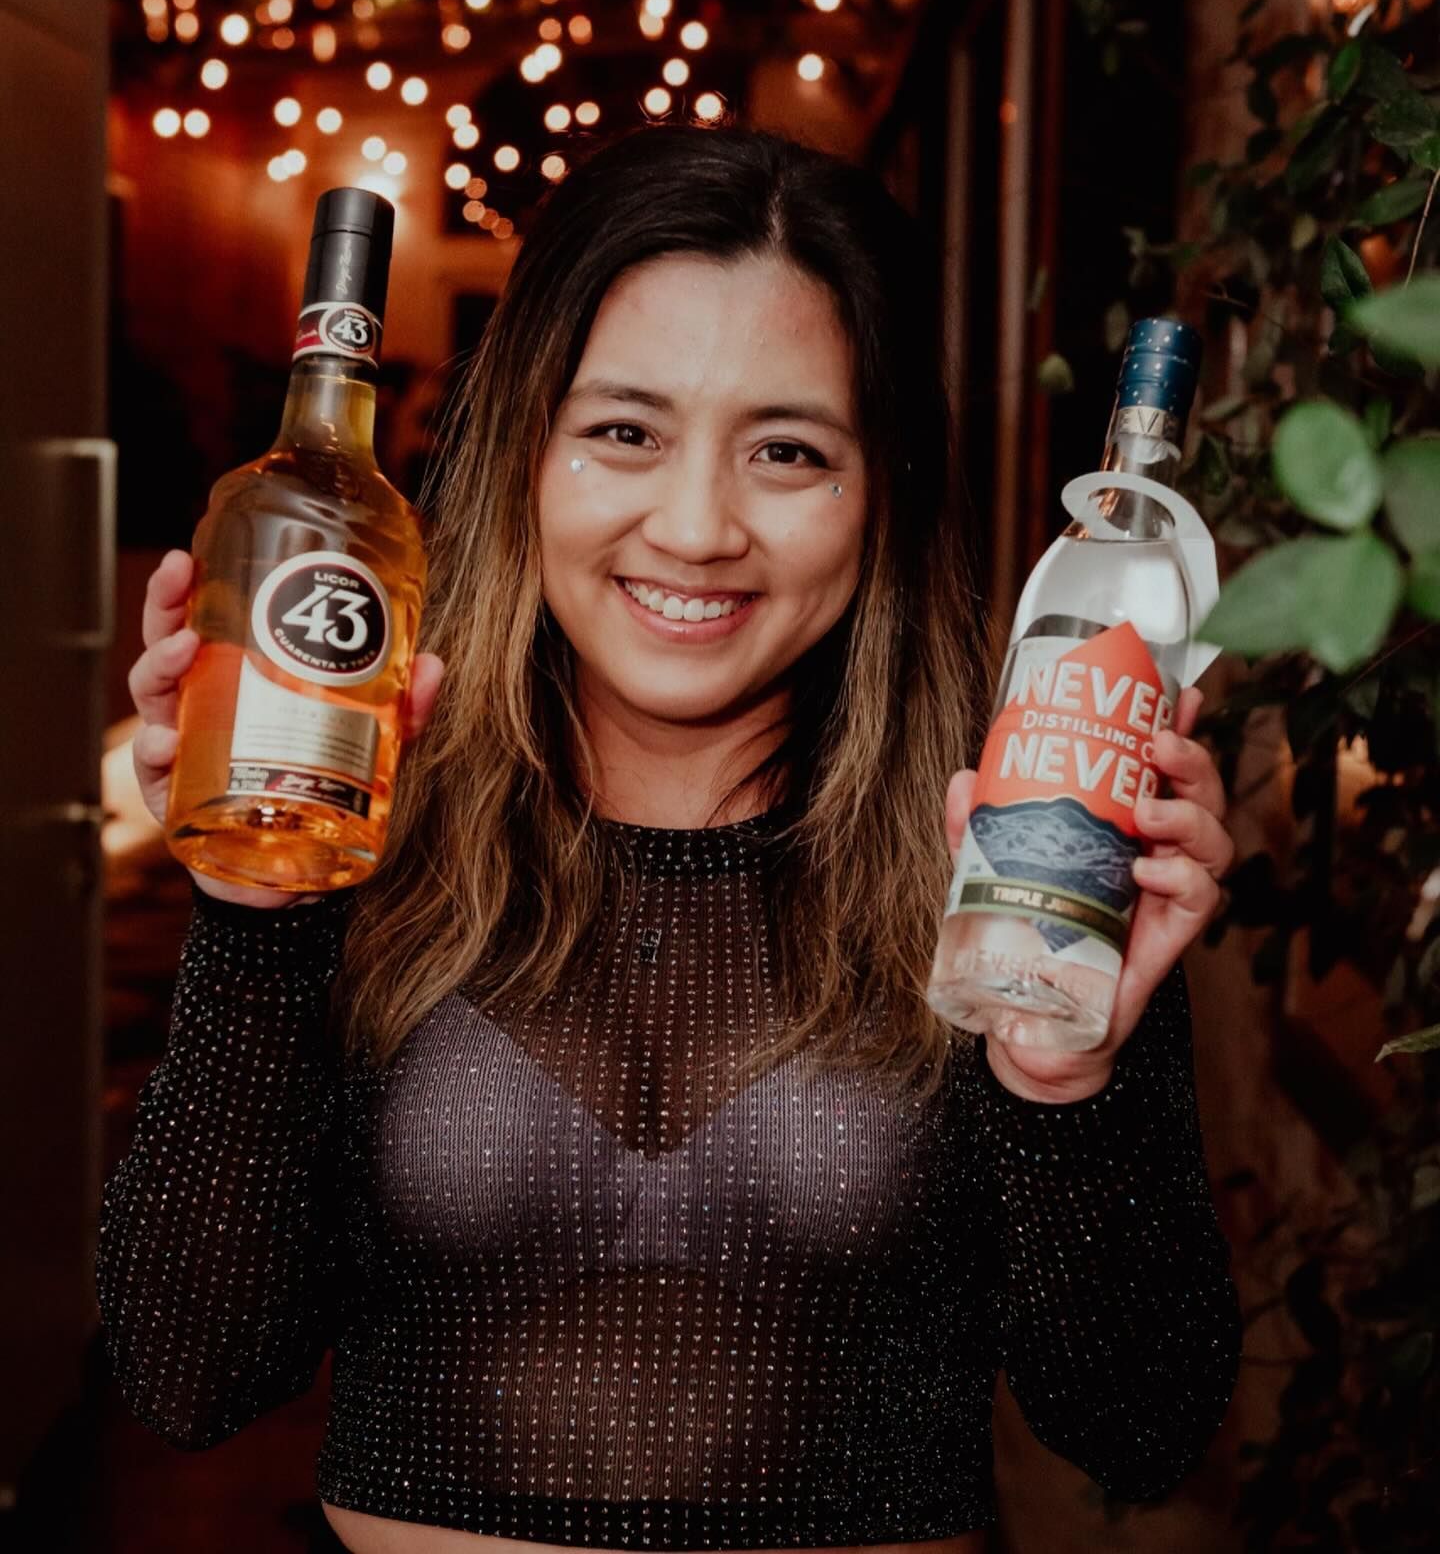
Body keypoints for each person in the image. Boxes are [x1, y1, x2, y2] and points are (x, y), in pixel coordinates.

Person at [98, 124, 1242, 1554]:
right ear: (525, 450)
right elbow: (188, 1378)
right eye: (625, 433)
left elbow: (1142, 1428)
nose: (696, 527)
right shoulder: (362, 818)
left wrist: (1070, 1086)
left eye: (787, 451)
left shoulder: (1019, 844)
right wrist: (252, 914)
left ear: (884, 484)